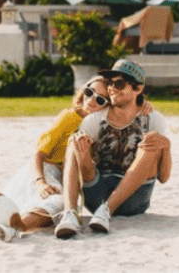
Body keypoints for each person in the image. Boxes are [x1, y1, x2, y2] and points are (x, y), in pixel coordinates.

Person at [55, 59, 172, 239]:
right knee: (75, 142)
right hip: (97, 195)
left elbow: (164, 177)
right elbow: (79, 163)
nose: (111, 88)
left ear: (138, 89)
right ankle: (70, 213)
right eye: (110, 82)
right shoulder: (94, 120)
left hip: (135, 199)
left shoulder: (153, 120)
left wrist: (165, 146)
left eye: (119, 83)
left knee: (151, 144)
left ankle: (107, 211)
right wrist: (82, 148)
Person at [1, 76, 111, 231]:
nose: (91, 100)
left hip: (62, 181)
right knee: (58, 203)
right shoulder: (70, 117)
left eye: (100, 100)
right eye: (89, 92)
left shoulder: (101, 130)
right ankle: (11, 228)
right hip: (44, 172)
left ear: (108, 107)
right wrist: (41, 183)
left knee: (58, 210)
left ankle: (11, 226)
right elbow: (38, 155)